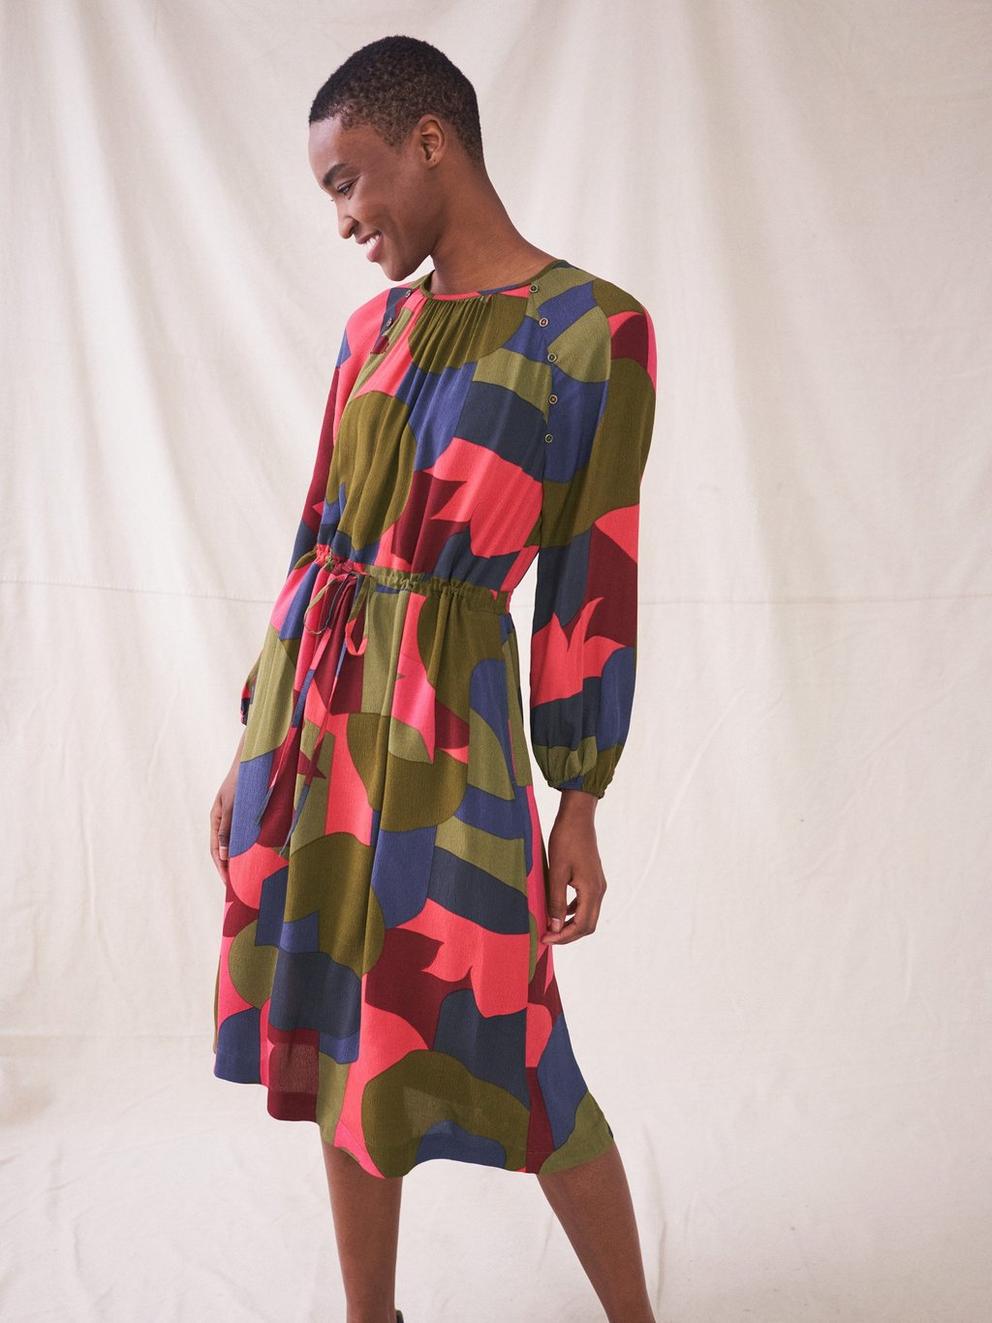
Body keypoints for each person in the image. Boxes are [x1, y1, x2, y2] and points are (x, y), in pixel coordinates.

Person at [208, 34, 658, 1323]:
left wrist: (579, 800)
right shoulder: (372, 333)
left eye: (348, 180)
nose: (344, 219)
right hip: (317, 724)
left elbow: (592, 574)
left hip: (449, 733)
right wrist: (250, 746)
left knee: (522, 1042)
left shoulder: (594, 332)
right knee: (340, 1028)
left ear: (429, 140)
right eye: (328, 194)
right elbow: (315, 541)